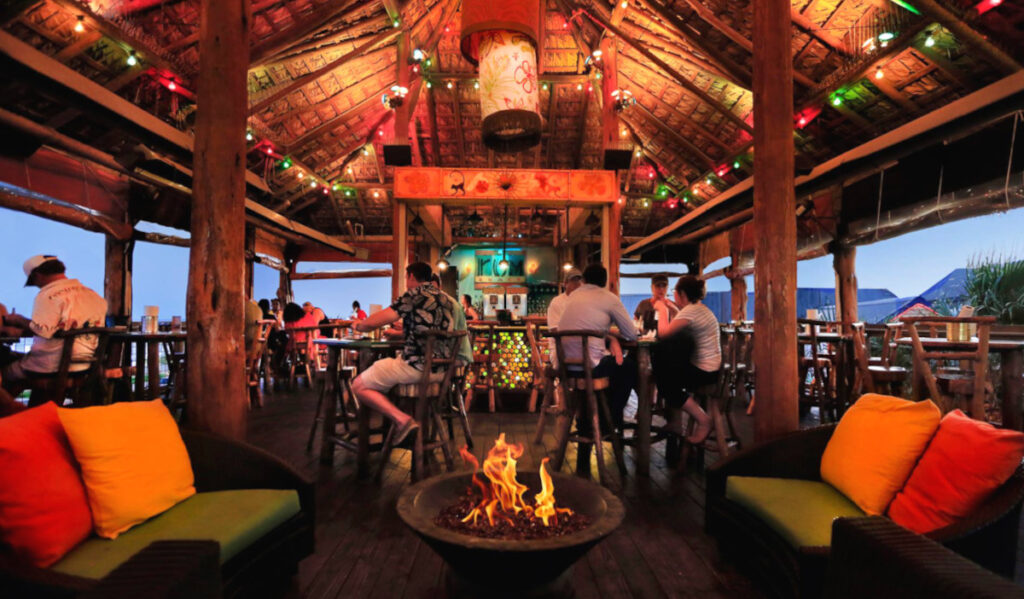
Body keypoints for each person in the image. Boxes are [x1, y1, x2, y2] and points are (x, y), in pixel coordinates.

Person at [351, 262, 463, 446]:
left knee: (358, 385)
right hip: (442, 371)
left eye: (406, 277)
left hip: (416, 367)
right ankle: (401, 425)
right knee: (385, 370)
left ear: (411, 276)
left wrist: (358, 325)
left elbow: (377, 321)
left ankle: (402, 420)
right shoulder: (446, 299)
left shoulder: (413, 295)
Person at [1, 255, 107, 400]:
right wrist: (22, 323)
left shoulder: (48, 295)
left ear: (37, 275)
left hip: (50, 366)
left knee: (5, 373)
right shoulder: (93, 295)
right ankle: (36, 412)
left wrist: (16, 324)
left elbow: (43, 330)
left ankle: (12, 416)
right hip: (84, 366)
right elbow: (58, 328)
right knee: (22, 362)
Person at [555, 264, 637, 428]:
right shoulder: (609, 298)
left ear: (583, 280)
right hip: (591, 368)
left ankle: (588, 420)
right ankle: (610, 419)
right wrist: (612, 336)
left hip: (566, 367)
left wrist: (608, 336)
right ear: (605, 282)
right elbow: (631, 334)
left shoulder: (572, 297)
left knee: (615, 365)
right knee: (627, 366)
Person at [652, 274, 721, 444]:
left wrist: (662, 310)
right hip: (712, 370)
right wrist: (673, 309)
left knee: (665, 380)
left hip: (704, 373)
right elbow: (682, 321)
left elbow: (663, 334)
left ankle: (703, 420)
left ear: (681, 293)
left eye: (675, 291)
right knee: (664, 368)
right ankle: (674, 421)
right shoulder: (699, 308)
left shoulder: (692, 311)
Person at [546, 267, 583, 360]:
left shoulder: (584, 302)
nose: (578, 284)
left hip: (582, 347)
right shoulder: (557, 302)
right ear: (565, 284)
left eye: (579, 280)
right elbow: (554, 330)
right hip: (561, 349)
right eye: (574, 281)